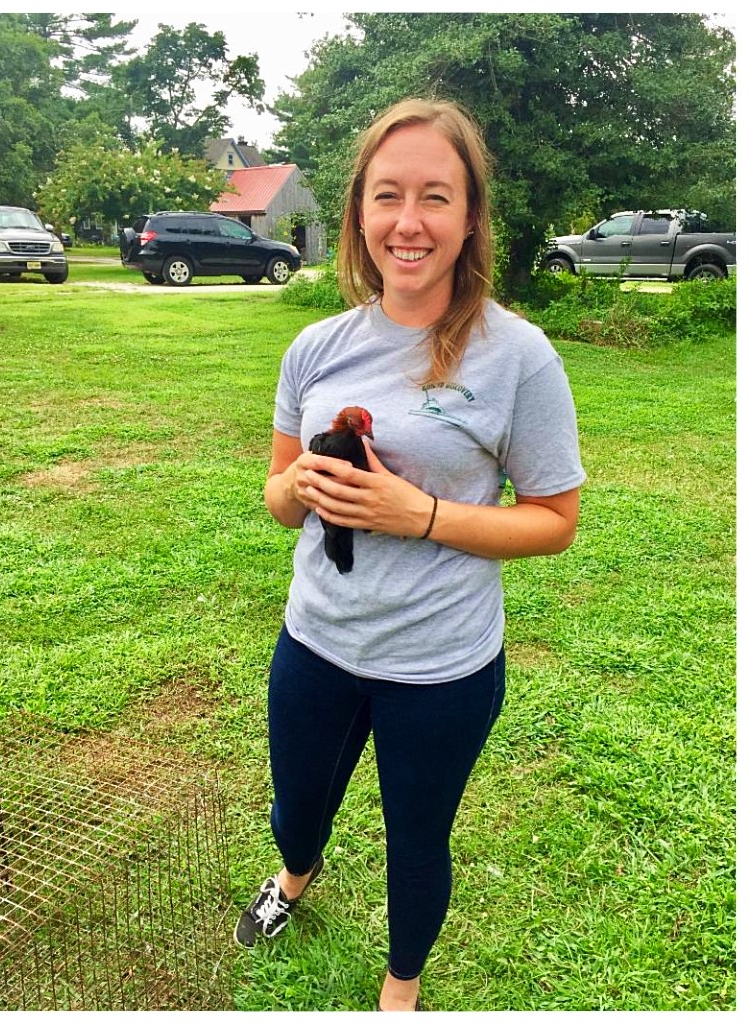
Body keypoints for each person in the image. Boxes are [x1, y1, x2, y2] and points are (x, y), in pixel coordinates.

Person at [234, 97, 586, 1012]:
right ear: (358, 210)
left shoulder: (520, 357)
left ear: (470, 216)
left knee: (416, 840)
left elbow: (554, 519)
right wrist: (303, 487)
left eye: (436, 196)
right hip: (314, 640)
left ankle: (401, 985)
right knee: (296, 806)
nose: (409, 221)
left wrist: (418, 512)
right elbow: (276, 499)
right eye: (388, 195)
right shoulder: (316, 348)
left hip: (441, 665)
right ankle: (296, 877)